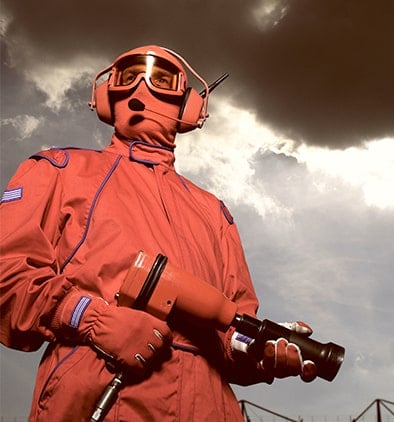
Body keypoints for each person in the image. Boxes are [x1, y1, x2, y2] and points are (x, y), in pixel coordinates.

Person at [0, 45, 317, 421]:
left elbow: (233, 328)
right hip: (99, 394)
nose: (142, 86)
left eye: (162, 79)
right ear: (107, 95)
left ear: (189, 105)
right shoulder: (59, 170)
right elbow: (8, 274)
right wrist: (91, 318)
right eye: (128, 76)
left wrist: (258, 351)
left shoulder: (214, 212)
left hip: (210, 406)